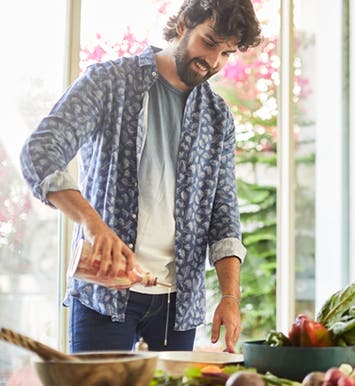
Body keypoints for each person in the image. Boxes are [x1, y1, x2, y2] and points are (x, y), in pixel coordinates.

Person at [20, 0, 261, 353]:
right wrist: (92, 223)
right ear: (183, 24)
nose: (213, 62)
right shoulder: (108, 82)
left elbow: (224, 217)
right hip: (104, 297)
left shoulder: (218, 117)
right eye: (209, 43)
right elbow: (40, 152)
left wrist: (230, 295)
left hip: (177, 306)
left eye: (226, 54)